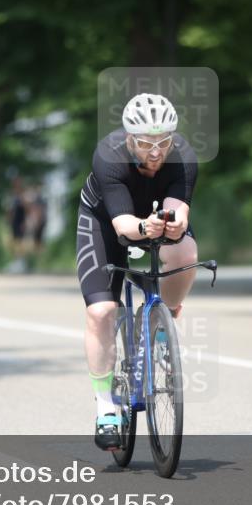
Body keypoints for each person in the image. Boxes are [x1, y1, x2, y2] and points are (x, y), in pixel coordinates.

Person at [76, 93, 198, 451]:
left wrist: (175, 225)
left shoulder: (183, 155)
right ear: (129, 138)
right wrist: (145, 227)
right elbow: (124, 226)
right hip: (106, 221)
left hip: (153, 216)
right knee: (102, 311)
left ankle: (163, 323)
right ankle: (105, 408)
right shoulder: (108, 155)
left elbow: (179, 211)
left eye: (163, 142)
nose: (156, 152)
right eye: (146, 143)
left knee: (185, 251)